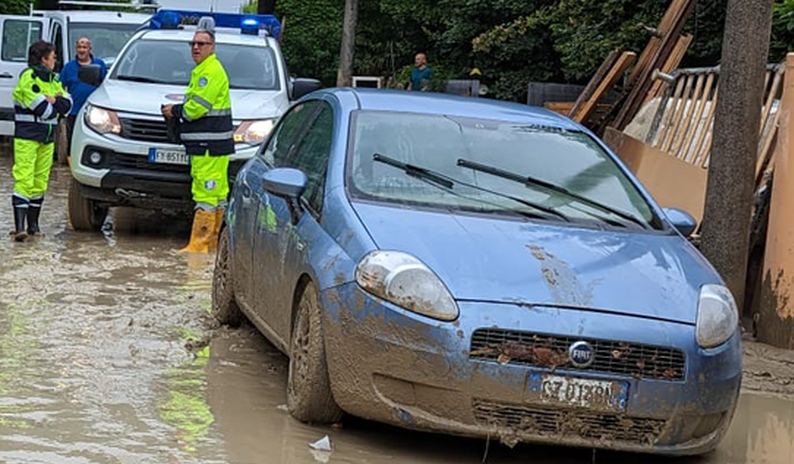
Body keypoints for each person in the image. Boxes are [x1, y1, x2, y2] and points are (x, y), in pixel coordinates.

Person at [161, 18, 233, 254]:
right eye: (193, 43)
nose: (196, 47)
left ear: (212, 47)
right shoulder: (204, 70)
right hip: (212, 145)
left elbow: (196, 108)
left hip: (208, 145)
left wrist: (175, 111)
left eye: (202, 44)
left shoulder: (209, 71)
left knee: (205, 194)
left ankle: (198, 248)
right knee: (218, 195)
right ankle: (213, 246)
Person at [11, 41, 72, 241]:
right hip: (27, 137)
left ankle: (34, 227)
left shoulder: (54, 79)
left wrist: (55, 101)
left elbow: (68, 105)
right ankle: (20, 227)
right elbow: (44, 111)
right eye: (53, 57)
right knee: (24, 179)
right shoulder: (28, 78)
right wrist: (56, 103)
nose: (55, 60)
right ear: (43, 59)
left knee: (40, 182)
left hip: (47, 138)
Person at [60, 38, 108, 156]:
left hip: (95, 112)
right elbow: (59, 86)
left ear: (90, 49)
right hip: (74, 111)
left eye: (84, 47)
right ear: (76, 49)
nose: (81, 50)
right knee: (72, 142)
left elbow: (105, 85)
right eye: (79, 47)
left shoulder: (99, 65)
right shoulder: (68, 67)